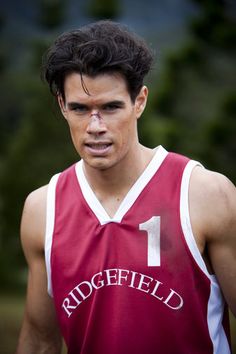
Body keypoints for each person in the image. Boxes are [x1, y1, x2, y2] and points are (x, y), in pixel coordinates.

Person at [16, 20, 236, 354]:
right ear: (63, 105)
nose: (95, 126)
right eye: (80, 108)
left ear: (139, 101)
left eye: (110, 107)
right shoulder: (42, 209)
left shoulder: (206, 194)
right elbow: (40, 340)